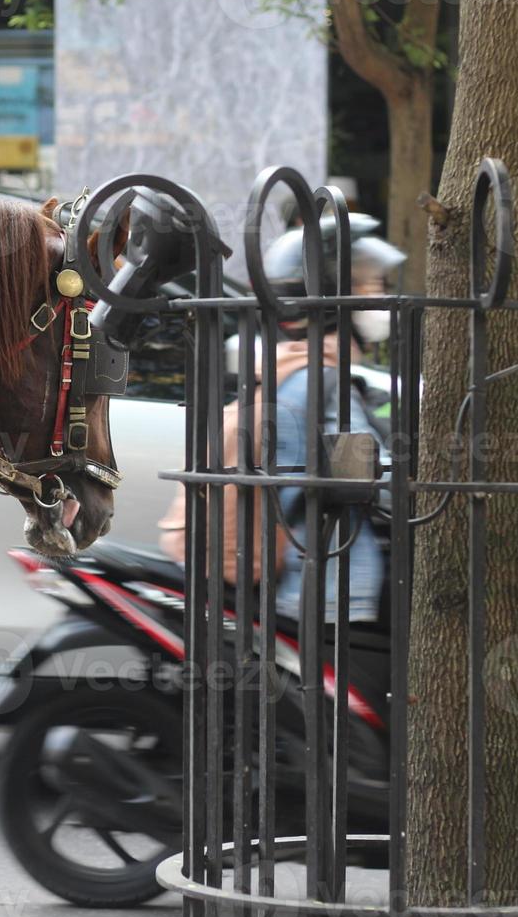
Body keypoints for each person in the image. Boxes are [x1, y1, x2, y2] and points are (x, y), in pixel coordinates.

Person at [157, 225, 401, 623]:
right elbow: (365, 482)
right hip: (331, 598)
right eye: (371, 286)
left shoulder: (289, 369)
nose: (381, 298)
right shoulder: (320, 383)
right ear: (333, 300)